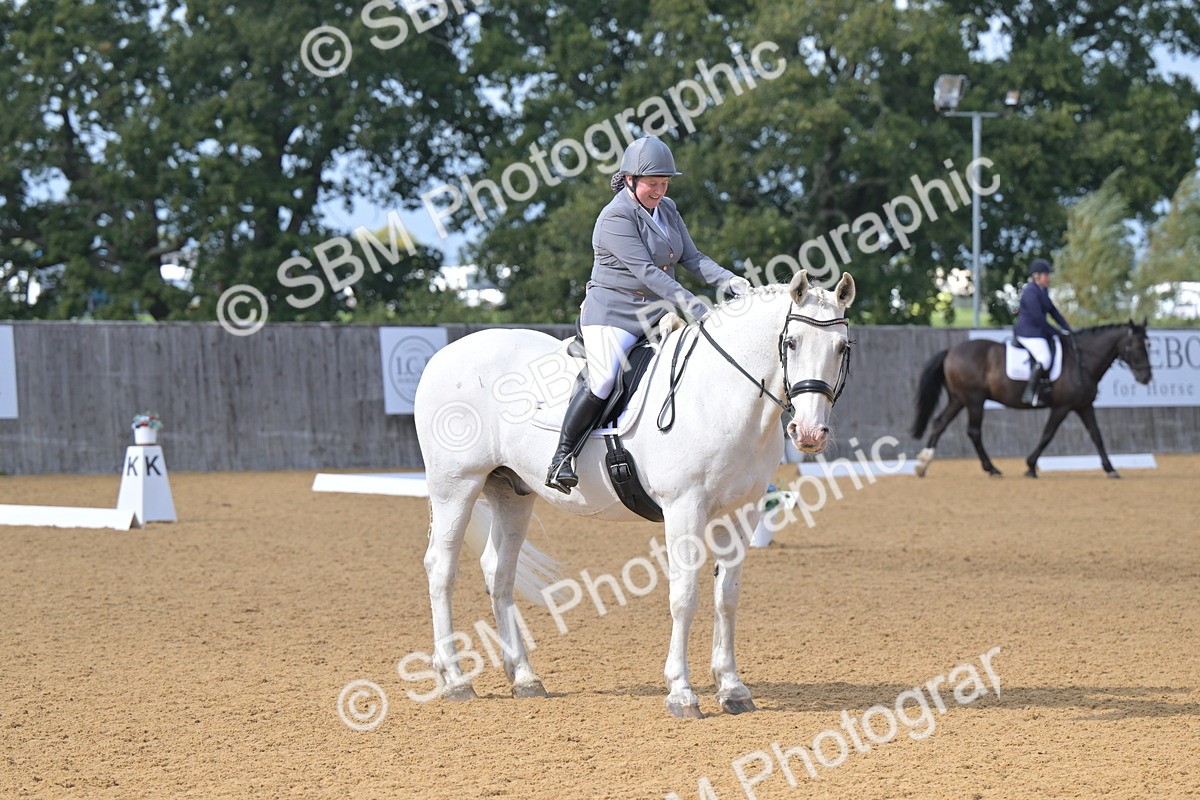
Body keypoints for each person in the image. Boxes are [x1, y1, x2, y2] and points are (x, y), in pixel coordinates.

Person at [545, 135, 752, 494]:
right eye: (652, 183)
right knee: (605, 379)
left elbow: (691, 257)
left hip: (654, 313)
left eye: (664, 182)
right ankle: (562, 457)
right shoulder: (615, 217)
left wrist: (731, 280)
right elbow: (647, 272)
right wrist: (692, 303)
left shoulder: (667, 209)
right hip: (612, 313)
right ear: (630, 180)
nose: (659, 190)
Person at [1013, 258, 1073, 406]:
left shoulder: (1043, 290)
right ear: (1037, 276)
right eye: (1047, 275)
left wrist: (1067, 328)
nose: (1049, 278)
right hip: (1028, 332)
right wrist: (1057, 332)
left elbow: (1053, 311)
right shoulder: (1030, 293)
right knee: (1044, 358)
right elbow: (1038, 319)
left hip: (1038, 331)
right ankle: (1029, 393)